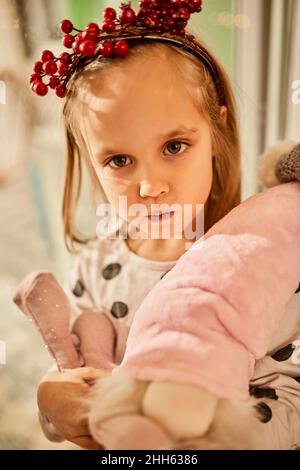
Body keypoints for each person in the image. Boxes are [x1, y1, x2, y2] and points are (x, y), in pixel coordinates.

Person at [33, 2, 300, 450]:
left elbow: (293, 402)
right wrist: (52, 407)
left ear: (216, 132)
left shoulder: (265, 258)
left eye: (174, 146)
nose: (151, 185)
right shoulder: (94, 268)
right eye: (119, 160)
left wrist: (192, 436)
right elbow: (76, 371)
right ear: (89, 160)